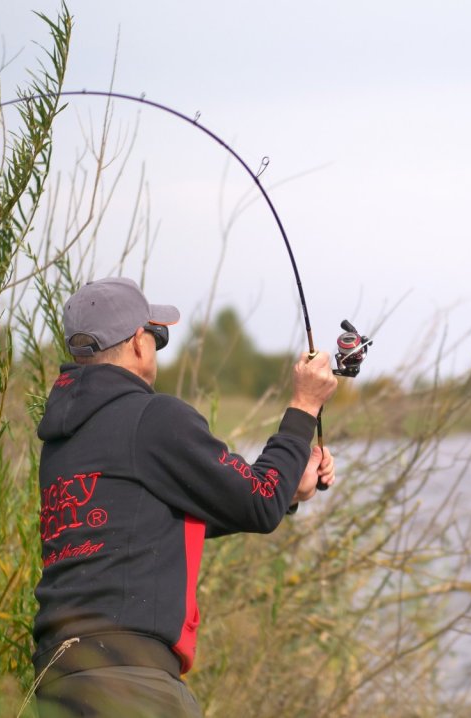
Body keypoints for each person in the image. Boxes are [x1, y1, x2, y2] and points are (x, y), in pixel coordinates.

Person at [31, 277, 338, 717]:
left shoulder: (61, 443)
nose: (155, 346)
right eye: (157, 336)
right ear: (138, 343)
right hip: (132, 685)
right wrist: (304, 408)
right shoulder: (153, 418)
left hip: (57, 686)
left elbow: (167, 517)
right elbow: (258, 500)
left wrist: (291, 486)